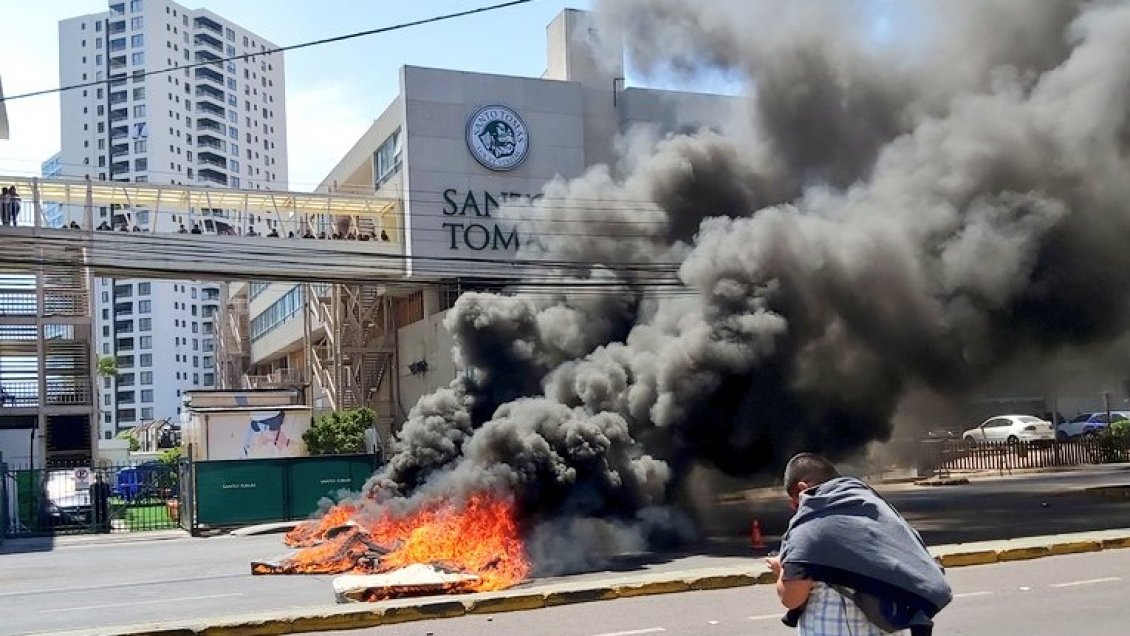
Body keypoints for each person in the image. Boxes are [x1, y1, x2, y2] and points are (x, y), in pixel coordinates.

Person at [767, 453, 952, 635]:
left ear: (802, 488)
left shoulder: (811, 521)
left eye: (794, 502)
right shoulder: (876, 506)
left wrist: (781, 569)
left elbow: (792, 597)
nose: (795, 509)